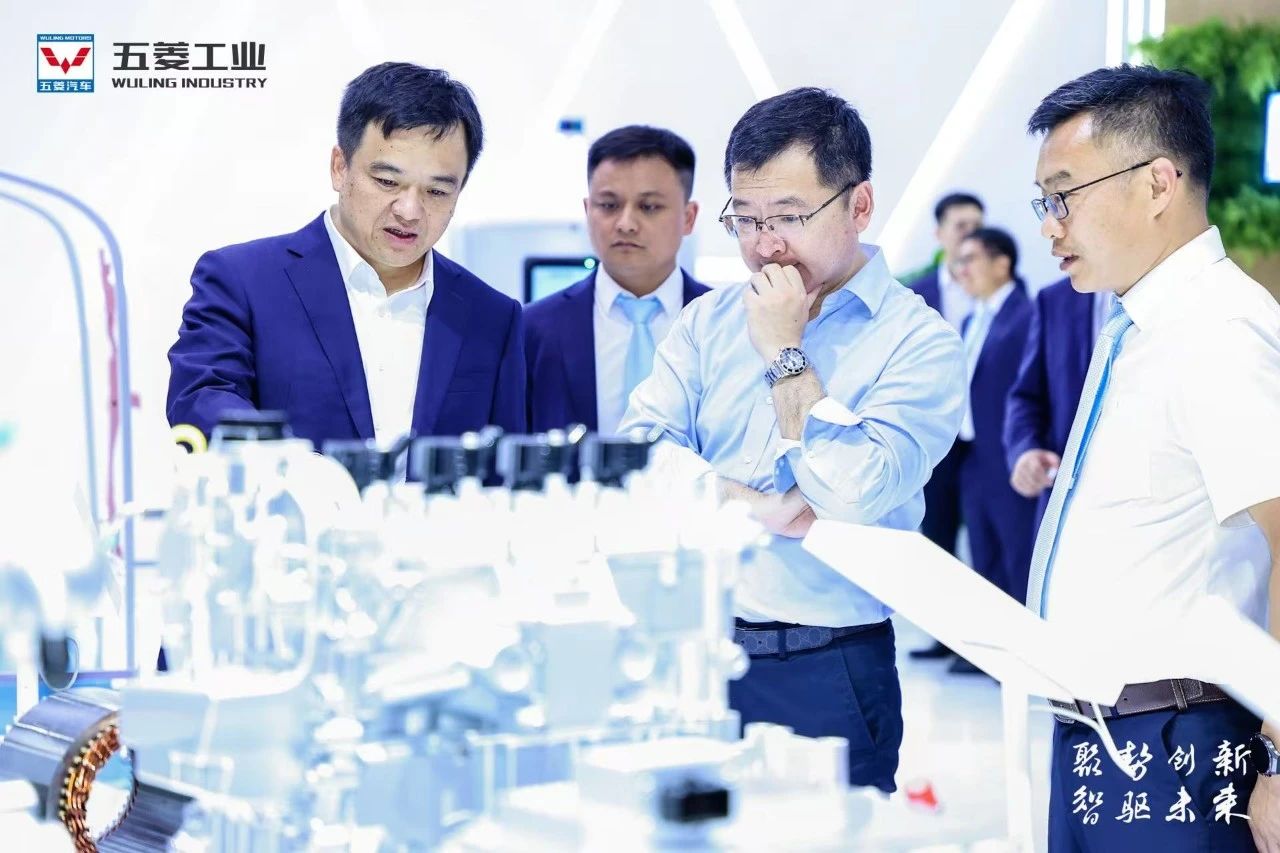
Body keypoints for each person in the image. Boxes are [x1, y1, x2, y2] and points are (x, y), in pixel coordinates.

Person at [619, 87, 965, 791]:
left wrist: (784, 353)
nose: (764, 244)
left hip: (829, 666)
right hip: (696, 658)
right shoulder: (707, 322)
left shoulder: (919, 342)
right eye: (745, 219)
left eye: (788, 216)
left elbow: (852, 492)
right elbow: (637, 461)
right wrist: (761, 507)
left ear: (859, 205)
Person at [1024, 65, 1280, 852]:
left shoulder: (1219, 331)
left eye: (1065, 195)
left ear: (1158, 182)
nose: (1051, 226)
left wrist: (1279, 758)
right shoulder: (1136, 326)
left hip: (1177, 742)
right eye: (1044, 201)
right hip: (1103, 734)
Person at [167, 62, 525, 449]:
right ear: (340, 168)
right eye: (387, 181)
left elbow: (507, 461)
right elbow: (203, 399)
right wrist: (290, 467)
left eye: (436, 192)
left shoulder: (492, 317)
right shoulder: (243, 281)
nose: (409, 211)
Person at [524, 125, 710, 434]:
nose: (626, 224)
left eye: (649, 207)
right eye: (609, 205)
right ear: (588, 210)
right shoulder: (531, 329)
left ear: (688, 217)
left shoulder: (726, 324)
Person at [906, 193, 984, 661]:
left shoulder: (998, 285)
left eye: (977, 224)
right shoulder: (914, 296)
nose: (970, 233)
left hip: (983, 441)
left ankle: (980, 644)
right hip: (933, 438)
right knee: (935, 538)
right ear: (939, 234)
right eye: (960, 225)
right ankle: (942, 636)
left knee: (986, 537)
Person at [951, 228, 1035, 633]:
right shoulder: (972, 318)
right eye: (958, 262)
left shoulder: (1028, 315)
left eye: (970, 260)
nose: (961, 270)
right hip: (973, 459)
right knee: (984, 559)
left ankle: (1031, 651)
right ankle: (995, 651)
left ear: (1002, 264)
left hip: (1010, 459)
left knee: (1019, 557)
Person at [1003, 277, 1113, 530]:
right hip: (1066, 501)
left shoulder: (1179, 290)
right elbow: (1027, 395)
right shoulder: (1053, 299)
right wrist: (1025, 450)